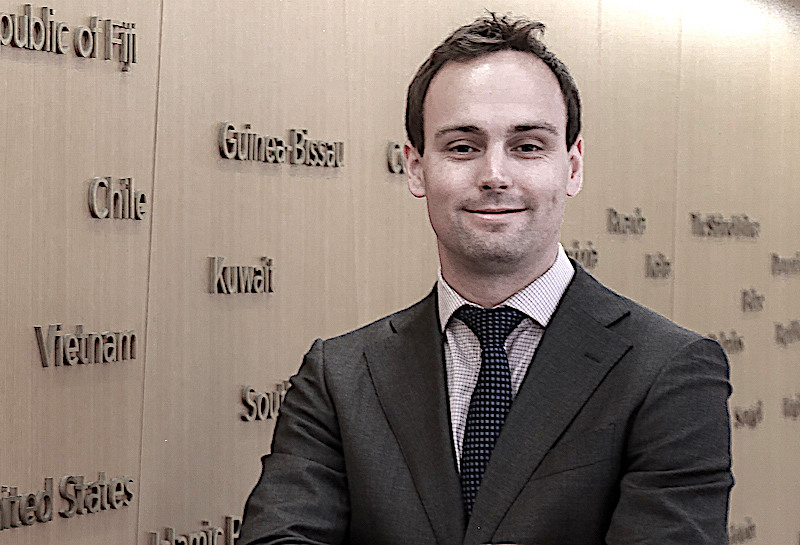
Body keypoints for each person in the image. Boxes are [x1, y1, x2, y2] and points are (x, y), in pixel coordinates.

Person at [238, 12, 733, 545]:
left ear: (572, 167)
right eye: (462, 147)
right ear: (415, 167)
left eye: (527, 146)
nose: (494, 176)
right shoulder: (339, 376)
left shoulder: (668, 371)